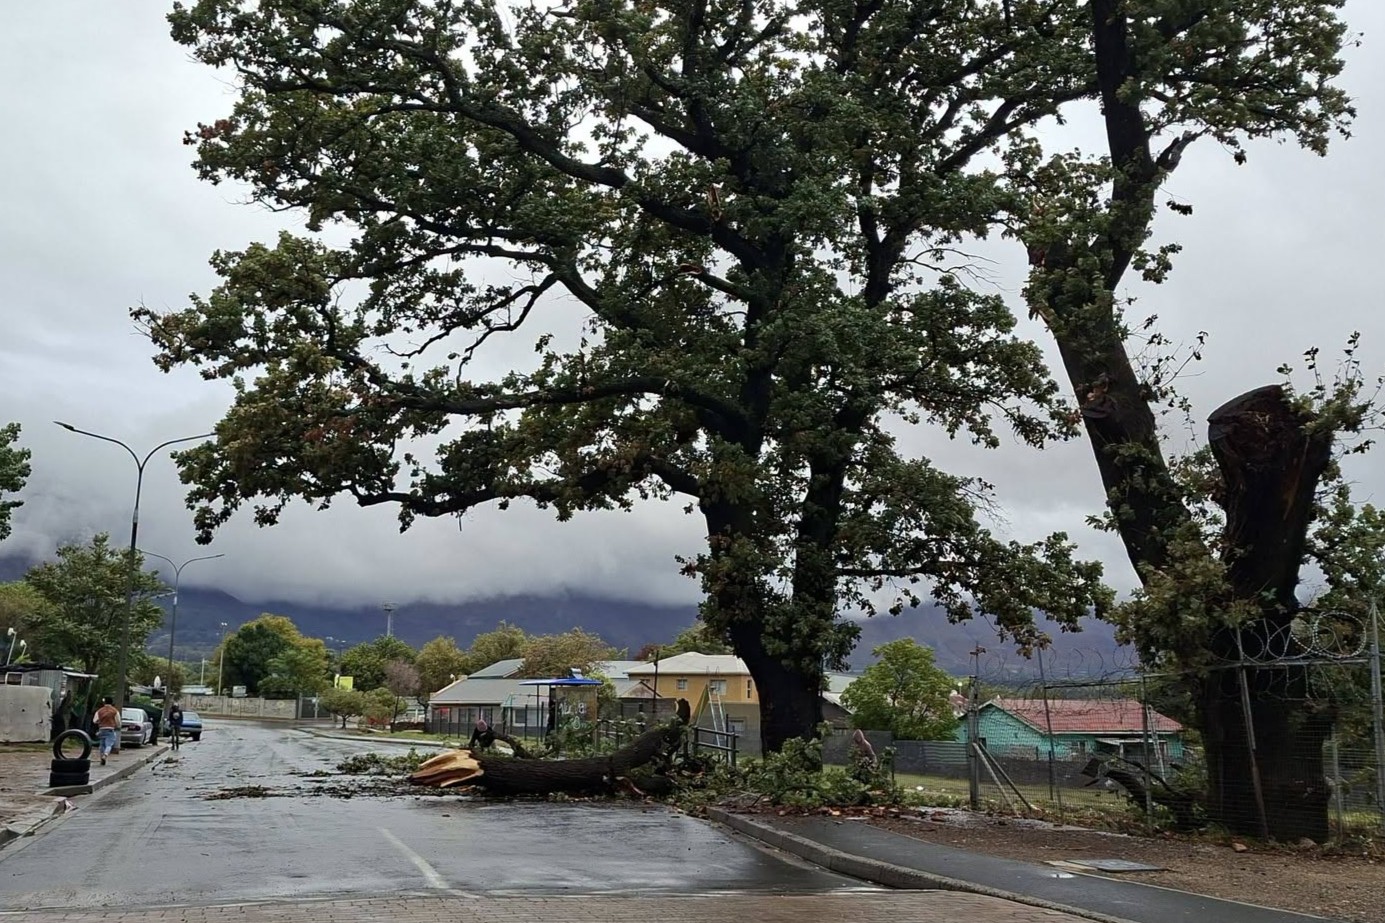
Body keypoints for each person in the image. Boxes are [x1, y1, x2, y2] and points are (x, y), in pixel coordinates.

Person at [93, 697, 120, 766]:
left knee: (102, 744)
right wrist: (117, 726)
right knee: (109, 744)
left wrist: (100, 722)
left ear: (104, 703)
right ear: (112, 702)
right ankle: (105, 755)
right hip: (110, 729)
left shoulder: (99, 711)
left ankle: (101, 757)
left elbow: (94, 721)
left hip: (101, 729)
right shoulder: (115, 711)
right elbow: (118, 722)